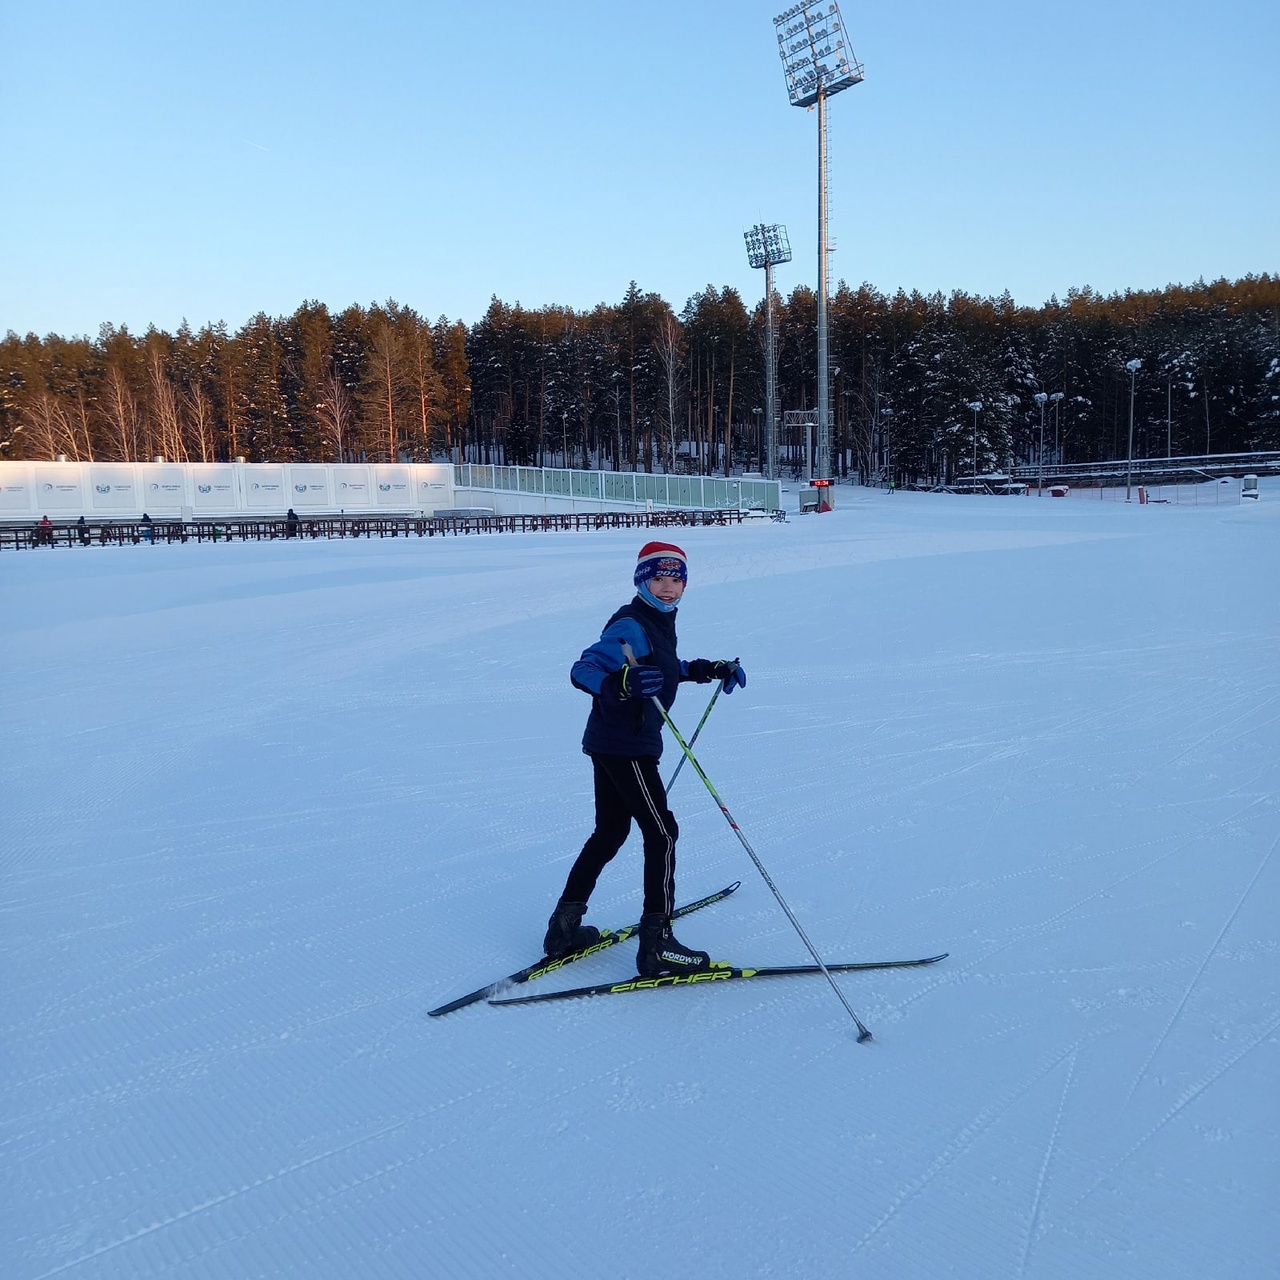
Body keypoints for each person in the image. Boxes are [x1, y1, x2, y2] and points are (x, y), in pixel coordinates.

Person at [544, 541, 747, 977]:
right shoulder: (632, 622)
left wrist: (709, 668)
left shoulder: (659, 620)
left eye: (677, 579)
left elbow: (663, 666)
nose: (669, 588)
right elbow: (584, 669)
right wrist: (621, 683)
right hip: (627, 745)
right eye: (659, 578)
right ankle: (658, 945)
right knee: (663, 834)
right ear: (642, 581)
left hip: (612, 741)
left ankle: (563, 929)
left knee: (610, 832)